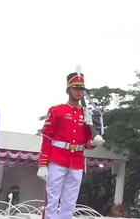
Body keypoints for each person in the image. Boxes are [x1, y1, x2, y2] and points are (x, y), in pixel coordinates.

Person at [37, 71, 105, 219]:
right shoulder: (57, 110)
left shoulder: (87, 114)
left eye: (81, 88)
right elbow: (48, 137)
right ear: (68, 90)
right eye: (76, 88)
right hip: (57, 158)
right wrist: (43, 163)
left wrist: (93, 142)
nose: (79, 91)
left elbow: (86, 142)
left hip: (76, 161)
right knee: (52, 199)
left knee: (70, 201)